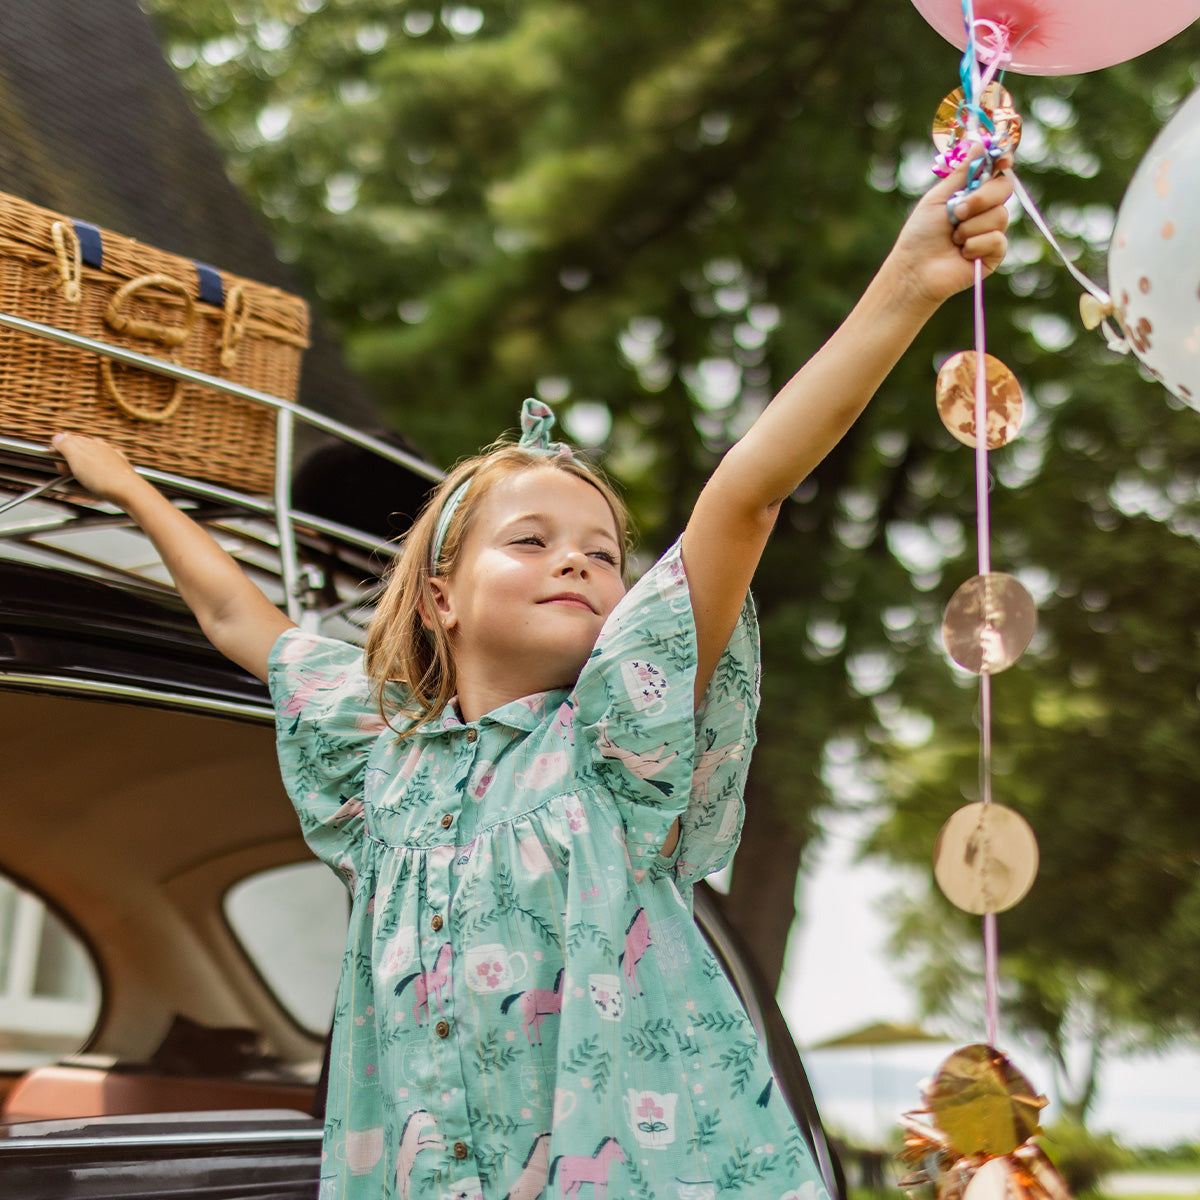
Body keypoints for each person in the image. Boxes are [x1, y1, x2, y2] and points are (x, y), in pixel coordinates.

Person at [54, 157, 1011, 1200]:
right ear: (440, 599)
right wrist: (129, 488)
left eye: (602, 552)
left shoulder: (615, 749)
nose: (578, 561)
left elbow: (747, 495)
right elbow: (240, 616)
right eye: (533, 539)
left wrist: (909, 283)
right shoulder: (380, 769)